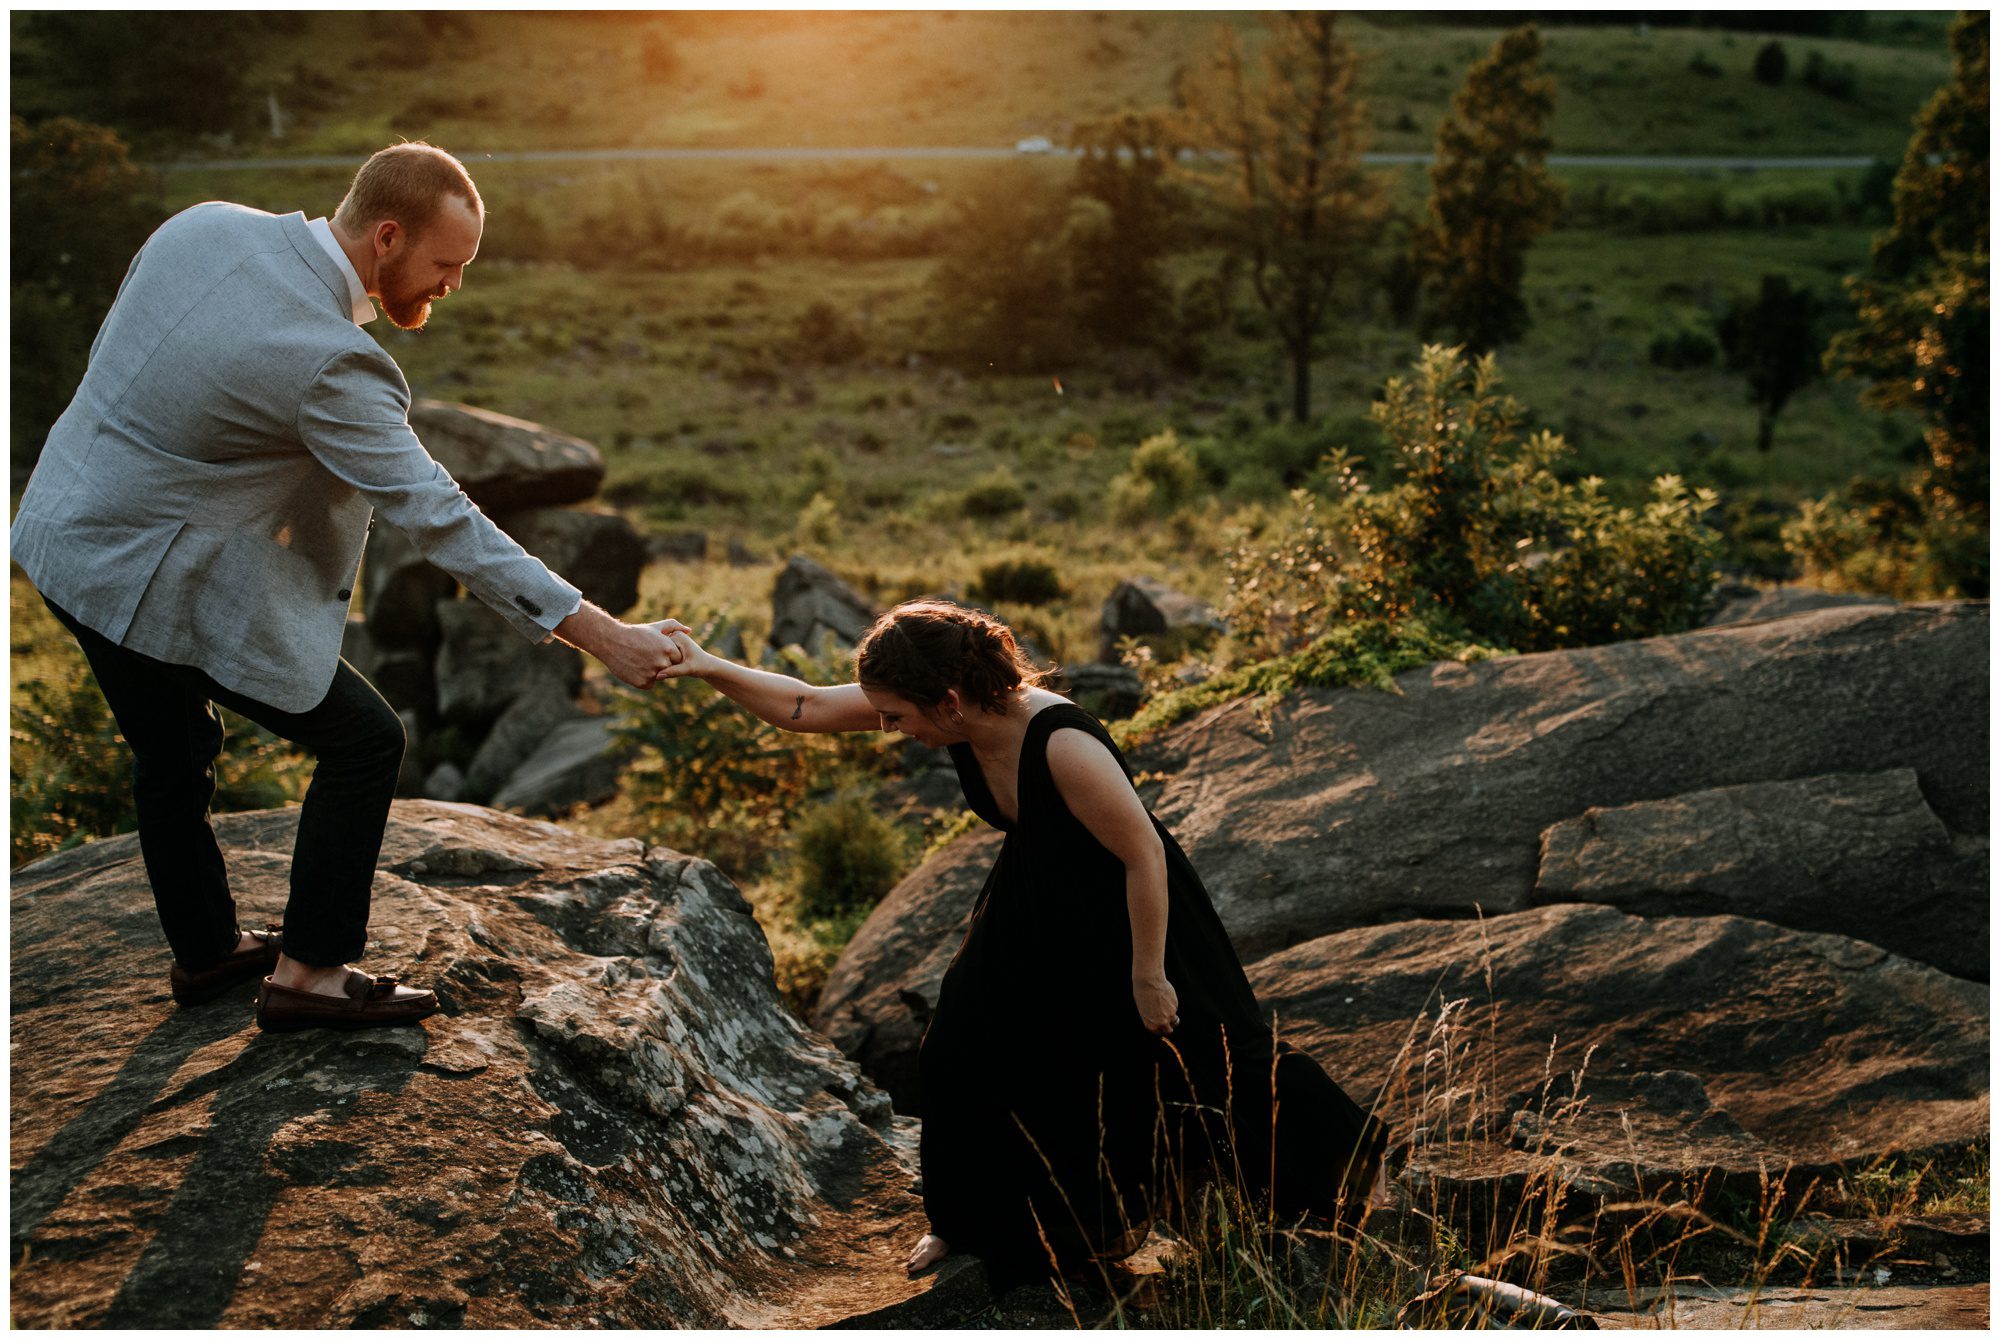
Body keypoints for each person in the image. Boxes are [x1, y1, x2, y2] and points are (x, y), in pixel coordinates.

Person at [10, 142, 685, 1032]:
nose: (452, 285)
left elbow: (128, 364)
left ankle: (208, 949)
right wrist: (608, 636)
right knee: (365, 741)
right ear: (389, 237)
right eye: (446, 265)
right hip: (139, 572)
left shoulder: (204, 225)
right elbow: (441, 519)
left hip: (58, 531)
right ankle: (311, 975)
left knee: (171, 757)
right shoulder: (331, 361)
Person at [657, 600, 1392, 1283]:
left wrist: (1146, 974)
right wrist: (706, 664)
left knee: (1206, 1051)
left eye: (897, 717)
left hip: (1130, 905)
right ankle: (965, 1222)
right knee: (958, 1043)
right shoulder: (949, 708)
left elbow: (1144, 855)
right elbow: (805, 706)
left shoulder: (1063, 744)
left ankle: (1355, 1164)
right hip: (1035, 893)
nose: (889, 730)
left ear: (949, 700)